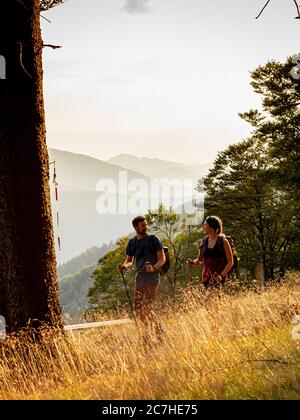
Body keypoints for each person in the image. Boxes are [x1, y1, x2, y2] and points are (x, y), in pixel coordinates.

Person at [117, 216, 166, 342]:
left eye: (146, 225)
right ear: (136, 227)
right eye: (143, 225)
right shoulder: (132, 242)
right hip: (139, 278)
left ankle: (158, 330)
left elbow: (162, 258)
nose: (146, 227)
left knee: (146, 308)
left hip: (152, 278)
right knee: (139, 309)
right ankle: (146, 336)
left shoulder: (153, 239)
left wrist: (154, 268)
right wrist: (124, 266)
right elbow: (129, 261)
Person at [187, 215, 234, 288]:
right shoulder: (204, 241)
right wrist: (192, 262)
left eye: (205, 225)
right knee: (214, 299)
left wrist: (221, 276)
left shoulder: (223, 241)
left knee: (208, 299)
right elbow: (199, 260)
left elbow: (230, 262)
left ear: (212, 227)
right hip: (206, 278)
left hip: (218, 278)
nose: (204, 227)